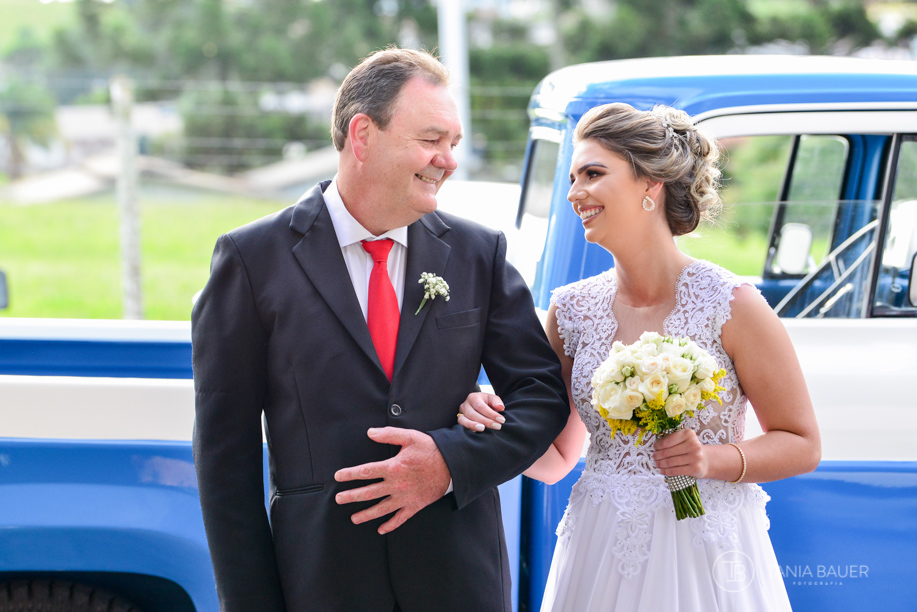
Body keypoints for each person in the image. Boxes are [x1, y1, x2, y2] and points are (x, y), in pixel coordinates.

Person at [191, 47, 569, 612]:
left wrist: (450, 462)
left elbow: (541, 396)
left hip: (459, 583)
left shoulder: (478, 252)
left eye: (454, 143)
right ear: (363, 135)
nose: (448, 160)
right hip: (320, 586)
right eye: (431, 139)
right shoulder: (252, 260)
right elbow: (226, 460)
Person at [458, 102, 821, 611]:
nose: (574, 193)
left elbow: (802, 443)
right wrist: (489, 425)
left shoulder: (731, 304)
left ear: (651, 184)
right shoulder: (571, 311)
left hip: (704, 556)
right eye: (572, 178)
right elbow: (557, 458)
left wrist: (710, 460)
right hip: (600, 552)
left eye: (593, 174)